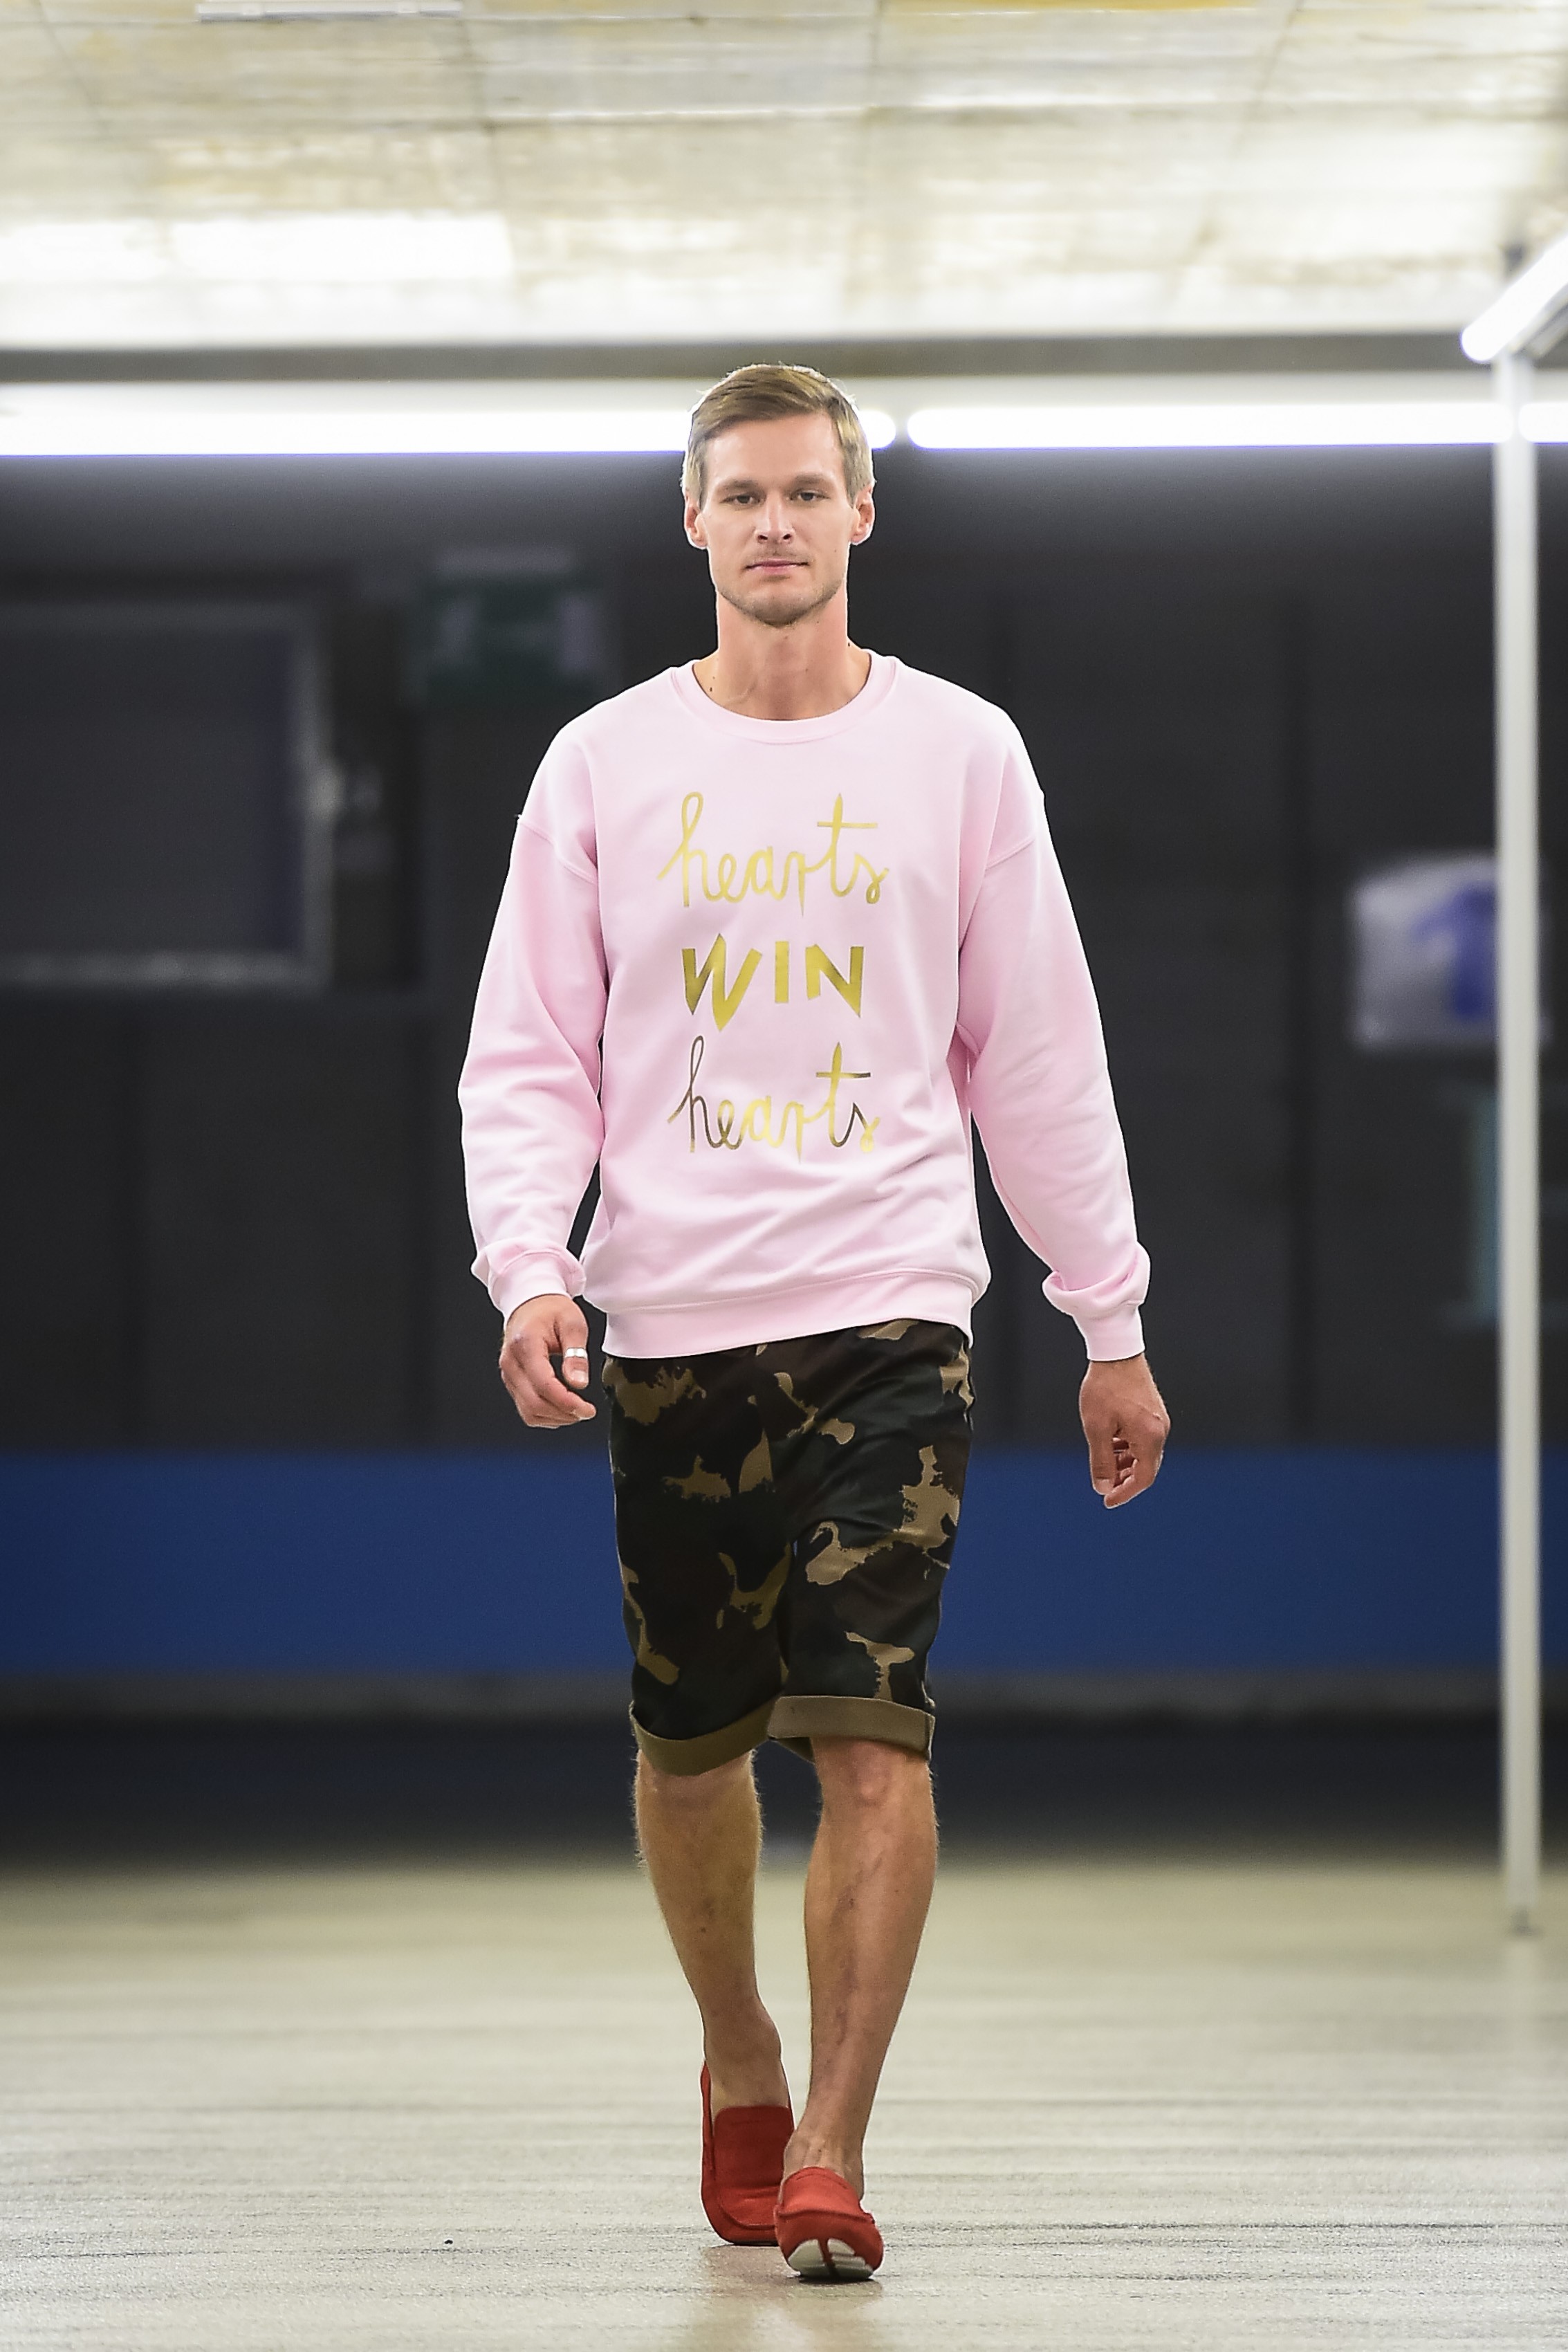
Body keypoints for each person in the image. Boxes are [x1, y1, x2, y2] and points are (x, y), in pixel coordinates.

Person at [459, 363, 1168, 2280]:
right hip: (673, 1319)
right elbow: (529, 1052)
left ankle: (835, 2151)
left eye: (803, 492)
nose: (773, 524)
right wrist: (531, 1262)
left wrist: (1104, 1313)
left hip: (890, 1308)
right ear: (692, 522)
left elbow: (1038, 1054)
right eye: (740, 495)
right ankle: (742, 2058)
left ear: (861, 513)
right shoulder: (603, 765)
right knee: (692, 1751)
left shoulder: (960, 755)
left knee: (873, 1734)